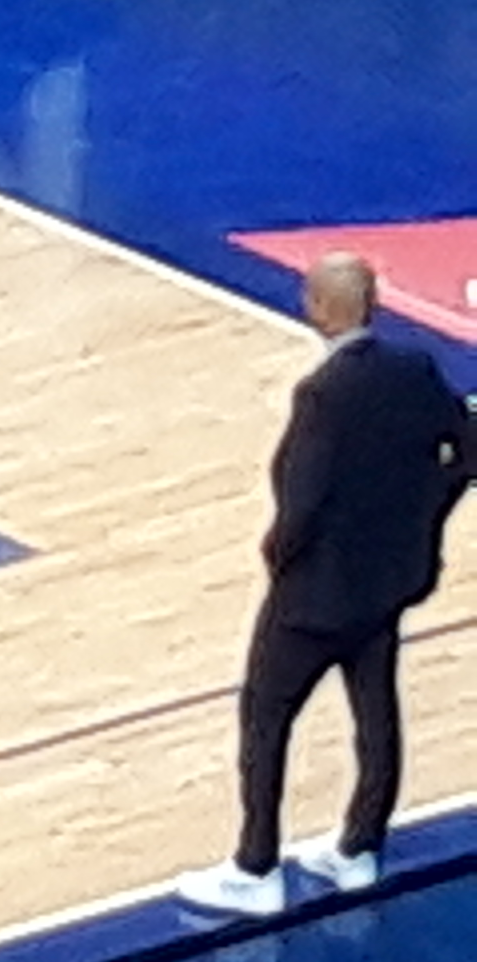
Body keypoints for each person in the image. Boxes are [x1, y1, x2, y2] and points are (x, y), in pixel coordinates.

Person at [179, 251, 475, 914]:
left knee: (265, 720)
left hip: (314, 596)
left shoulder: (322, 396)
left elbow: (303, 500)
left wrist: (278, 553)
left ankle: (256, 868)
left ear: (317, 307)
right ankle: (358, 850)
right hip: (386, 585)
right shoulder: (416, 370)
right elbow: (467, 446)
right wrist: (429, 511)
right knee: (376, 715)